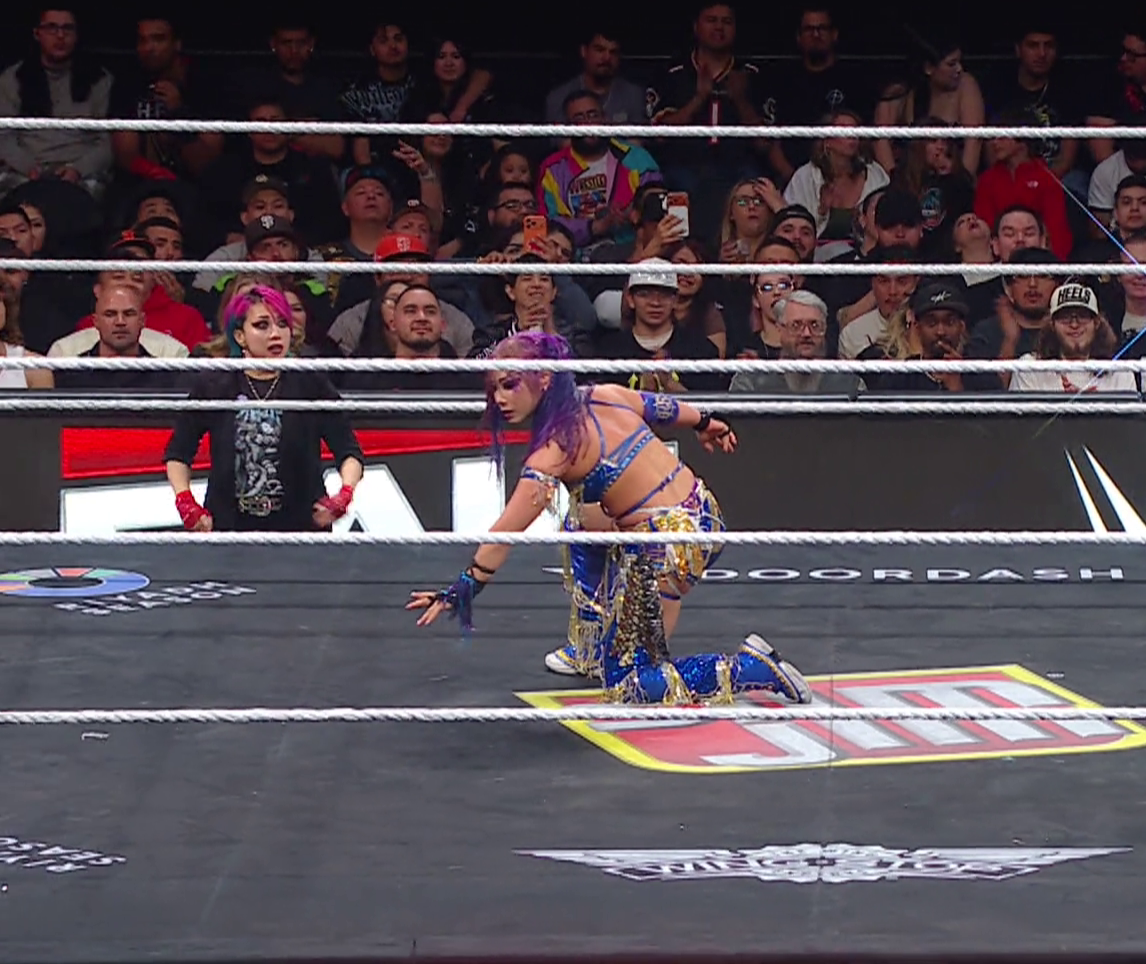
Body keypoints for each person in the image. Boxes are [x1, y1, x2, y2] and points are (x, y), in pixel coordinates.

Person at [405, 331, 811, 707]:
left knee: (630, 684)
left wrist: (461, 589)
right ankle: (589, 646)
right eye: (494, 388)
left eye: (510, 385)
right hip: (702, 510)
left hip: (669, 549)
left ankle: (751, 668)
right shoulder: (603, 395)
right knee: (581, 518)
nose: (499, 399)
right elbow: (663, 408)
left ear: (544, 378)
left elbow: (506, 531)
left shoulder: (555, 451)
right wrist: (707, 422)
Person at [166, 286, 365, 532]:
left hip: (301, 532)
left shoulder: (310, 382)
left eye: (282, 324)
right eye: (262, 325)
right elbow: (178, 452)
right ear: (240, 336)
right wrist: (186, 502)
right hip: (229, 530)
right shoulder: (215, 384)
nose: (275, 334)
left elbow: (349, 451)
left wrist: (344, 495)